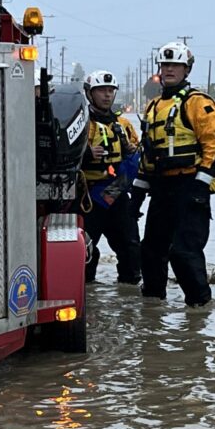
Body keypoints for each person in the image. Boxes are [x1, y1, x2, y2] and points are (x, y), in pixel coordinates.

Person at [132, 41, 215, 306]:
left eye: (176, 65)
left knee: (184, 252)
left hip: (190, 186)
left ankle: (200, 307)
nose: (169, 69)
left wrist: (201, 185)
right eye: (165, 65)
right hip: (162, 187)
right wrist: (136, 197)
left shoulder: (198, 103)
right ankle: (152, 307)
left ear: (187, 69)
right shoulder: (153, 107)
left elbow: (214, 144)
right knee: (151, 250)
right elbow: (148, 155)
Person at [79, 70, 142, 284]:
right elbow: (64, 156)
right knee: (85, 249)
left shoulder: (123, 125)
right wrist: (86, 154)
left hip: (117, 195)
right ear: (90, 93)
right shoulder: (81, 124)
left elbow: (137, 154)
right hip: (89, 197)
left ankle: (129, 293)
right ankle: (87, 292)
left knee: (131, 247)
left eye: (110, 91)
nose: (107, 95)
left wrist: (133, 151)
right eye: (101, 91)